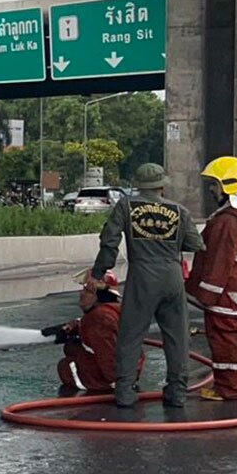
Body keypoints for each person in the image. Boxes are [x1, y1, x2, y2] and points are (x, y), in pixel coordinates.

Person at [92, 163, 205, 408]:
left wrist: (99, 272)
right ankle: (177, 393)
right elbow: (196, 245)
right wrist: (168, 245)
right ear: (162, 185)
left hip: (142, 276)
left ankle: (125, 393)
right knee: (177, 337)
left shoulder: (126, 206)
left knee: (131, 335)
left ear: (138, 184)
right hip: (172, 276)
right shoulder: (179, 210)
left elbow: (109, 241)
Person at [186, 156, 237, 401]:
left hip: (226, 294)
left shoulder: (228, 222)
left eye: (215, 184)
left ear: (227, 186)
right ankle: (231, 386)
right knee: (232, 339)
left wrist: (203, 295)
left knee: (226, 341)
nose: (212, 189)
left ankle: (230, 389)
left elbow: (218, 262)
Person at [52, 271, 138, 394]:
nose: (81, 293)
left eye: (87, 290)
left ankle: (97, 389)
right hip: (128, 373)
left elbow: (108, 356)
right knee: (72, 347)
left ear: (99, 295)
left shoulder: (99, 318)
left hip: (114, 379)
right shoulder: (112, 311)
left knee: (65, 366)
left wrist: (120, 384)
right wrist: (73, 326)